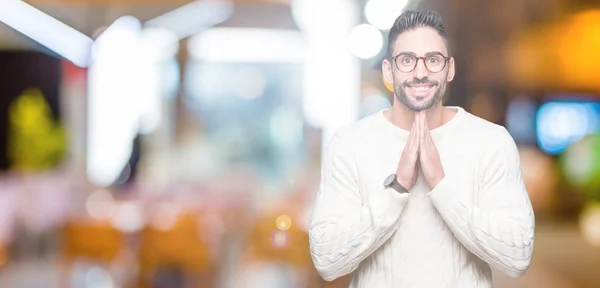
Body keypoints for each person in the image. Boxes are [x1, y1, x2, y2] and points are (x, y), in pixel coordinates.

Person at [308, 9, 535, 287]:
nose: (420, 72)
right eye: (406, 60)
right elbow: (327, 261)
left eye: (432, 60)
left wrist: (441, 185)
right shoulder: (349, 144)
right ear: (388, 71)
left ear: (449, 68)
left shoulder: (491, 142)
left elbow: (518, 257)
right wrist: (397, 189)